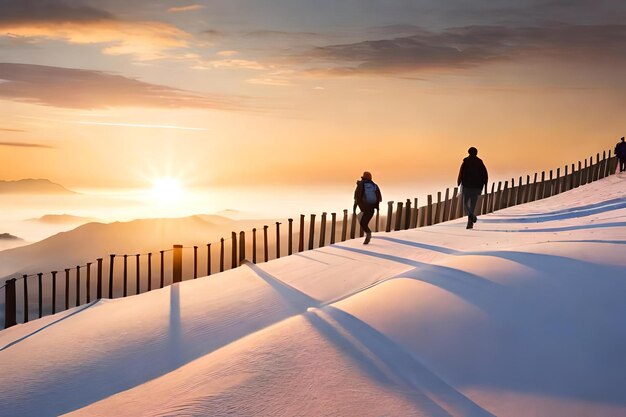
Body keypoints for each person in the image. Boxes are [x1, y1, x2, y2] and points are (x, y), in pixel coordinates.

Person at [457, 147, 489, 229]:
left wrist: (459, 181)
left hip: (467, 186)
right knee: (472, 205)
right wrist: (485, 185)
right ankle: (470, 223)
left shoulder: (466, 161)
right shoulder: (479, 162)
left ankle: (471, 216)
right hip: (477, 187)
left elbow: (461, 172)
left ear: (469, 152)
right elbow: (485, 174)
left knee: (465, 204)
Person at [353, 171, 382, 244]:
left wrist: (354, 209)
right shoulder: (374, 185)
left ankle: (368, 234)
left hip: (364, 208)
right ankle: (368, 235)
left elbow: (357, 197)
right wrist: (377, 207)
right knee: (364, 222)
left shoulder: (361, 185)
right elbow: (379, 197)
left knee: (363, 223)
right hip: (372, 208)